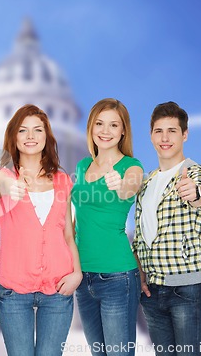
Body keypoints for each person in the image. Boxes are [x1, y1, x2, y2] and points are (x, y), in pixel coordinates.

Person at [0, 104, 82, 356]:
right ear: (13, 137)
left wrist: (77, 273)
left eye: (37, 130)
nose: (30, 136)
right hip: (13, 290)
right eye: (23, 130)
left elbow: (67, 234)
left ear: (46, 136)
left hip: (58, 288)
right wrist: (10, 187)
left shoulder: (63, 181)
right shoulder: (2, 176)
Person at [132, 101, 201, 356]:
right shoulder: (146, 182)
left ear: (185, 134)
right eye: (159, 131)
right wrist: (140, 272)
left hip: (187, 291)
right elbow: (140, 233)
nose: (165, 138)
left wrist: (195, 194)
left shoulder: (198, 173)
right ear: (151, 135)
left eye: (172, 130)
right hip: (153, 292)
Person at [71, 98, 144, 356]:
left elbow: (130, 187)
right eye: (99, 124)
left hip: (117, 277)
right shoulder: (81, 166)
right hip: (83, 277)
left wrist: (119, 186)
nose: (105, 131)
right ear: (90, 127)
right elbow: (76, 219)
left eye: (114, 125)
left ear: (123, 130)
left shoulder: (131, 167)